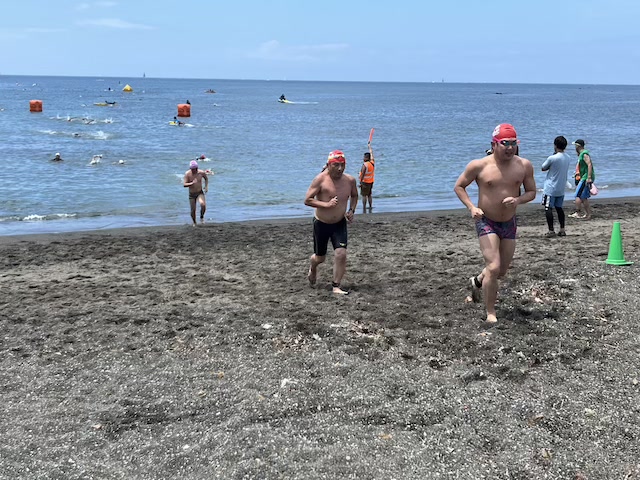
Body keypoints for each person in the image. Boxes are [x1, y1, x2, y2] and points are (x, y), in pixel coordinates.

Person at [454, 123, 536, 324]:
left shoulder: (524, 165)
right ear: (494, 144)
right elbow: (459, 186)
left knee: (501, 271)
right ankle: (491, 312)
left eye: (513, 143)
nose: (510, 147)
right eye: (505, 143)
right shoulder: (479, 165)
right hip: (486, 221)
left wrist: (517, 200)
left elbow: (532, 192)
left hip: (509, 223)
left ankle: (477, 281)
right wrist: (472, 207)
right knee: (493, 266)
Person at [304, 150, 358, 295]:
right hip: (321, 223)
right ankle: (313, 267)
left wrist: (351, 210)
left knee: (341, 253)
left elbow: (354, 195)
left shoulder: (350, 180)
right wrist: (326, 205)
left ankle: (336, 286)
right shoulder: (320, 180)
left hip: (339, 223)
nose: (340, 168)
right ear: (329, 165)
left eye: (342, 165)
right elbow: (307, 200)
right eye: (336, 165)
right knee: (320, 258)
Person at [541, 136, 572, 237]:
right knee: (559, 208)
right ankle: (562, 229)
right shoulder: (568, 157)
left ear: (555, 145)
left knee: (548, 208)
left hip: (551, 187)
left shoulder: (552, 158)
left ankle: (551, 230)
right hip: (561, 187)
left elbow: (543, 167)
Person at [569, 139, 595, 220]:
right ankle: (587, 214)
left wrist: (589, 177)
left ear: (578, 146)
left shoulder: (584, 154)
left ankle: (585, 214)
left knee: (579, 195)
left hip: (585, 177)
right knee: (583, 197)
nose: (575, 147)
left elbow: (589, 164)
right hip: (584, 176)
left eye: (575, 146)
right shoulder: (581, 154)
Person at [183, 160, 208, 225]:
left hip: (199, 192)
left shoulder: (201, 172)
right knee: (193, 210)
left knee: (203, 204)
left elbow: (206, 178)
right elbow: (184, 184)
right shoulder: (187, 174)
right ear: (190, 169)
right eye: (193, 169)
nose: (194, 170)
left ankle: (201, 217)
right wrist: (192, 183)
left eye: (196, 169)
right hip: (192, 194)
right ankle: (194, 222)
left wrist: (206, 186)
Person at [358, 143, 375, 213]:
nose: (363, 158)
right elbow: (372, 154)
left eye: (364, 157)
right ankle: (370, 206)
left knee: (364, 195)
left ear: (367, 158)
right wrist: (369, 147)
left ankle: (364, 207)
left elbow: (362, 174)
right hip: (371, 181)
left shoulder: (365, 165)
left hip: (365, 182)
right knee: (369, 194)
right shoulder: (372, 163)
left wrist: (360, 182)